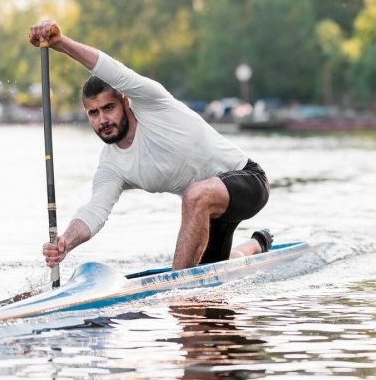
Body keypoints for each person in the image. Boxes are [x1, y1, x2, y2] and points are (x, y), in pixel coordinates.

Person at [28, 19, 272, 271]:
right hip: (209, 211)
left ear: (124, 101)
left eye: (108, 108)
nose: (103, 120)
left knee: (195, 195)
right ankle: (256, 245)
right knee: (214, 268)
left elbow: (112, 70)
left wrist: (61, 43)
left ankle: (179, 289)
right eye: (93, 113)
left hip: (249, 182)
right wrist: (65, 242)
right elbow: (95, 211)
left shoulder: (150, 101)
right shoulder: (111, 166)